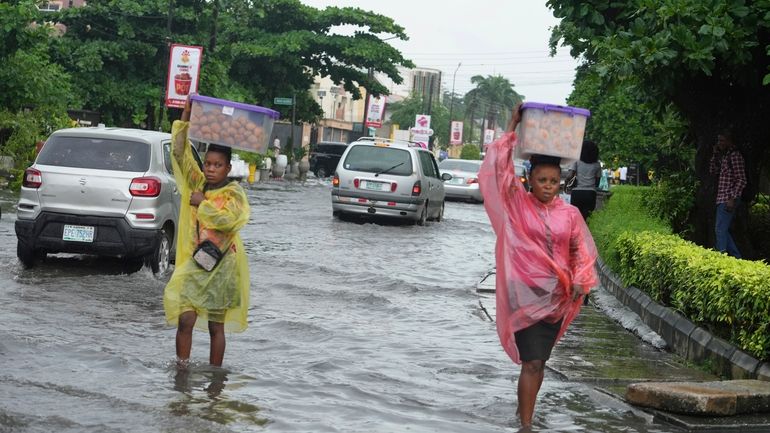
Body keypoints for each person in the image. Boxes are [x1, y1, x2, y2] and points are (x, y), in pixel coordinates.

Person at [478, 105, 598, 430]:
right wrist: (513, 124)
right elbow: (498, 168)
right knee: (532, 361)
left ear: (562, 181)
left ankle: (523, 412)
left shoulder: (569, 214)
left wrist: (581, 278)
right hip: (525, 294)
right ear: (529, 179)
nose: (548, 185)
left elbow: (581, 249)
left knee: (540, 361)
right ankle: (527, 426)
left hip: (557, 298)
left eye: (554, 181)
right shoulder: (517, 203)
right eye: (542, 179)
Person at [164, 96, 251, 367]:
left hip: (223, 267)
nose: (211, 169)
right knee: (185, 317)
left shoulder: (234, 193)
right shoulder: (197, 182)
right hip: (196, 262)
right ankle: (181, 368)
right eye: (208, 164)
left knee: (216, 326)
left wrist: (203, 205)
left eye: (217, 165)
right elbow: (179, 153)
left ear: (227, 167)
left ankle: (215, 378)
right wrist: (186, 116)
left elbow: (230, 221)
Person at [709, 129, 746, 258]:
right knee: (723, 230)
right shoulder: (725, 156)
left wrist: (732, 198)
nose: (719, 143)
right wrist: (715, 155)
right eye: (718, 140)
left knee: (719, 230)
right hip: (722, 198)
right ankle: (737, 259)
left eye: (722, 140)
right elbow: (713, 171)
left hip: (728, 198)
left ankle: (721, 259)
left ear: (730, 141)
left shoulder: (735, 156)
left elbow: (741, 179)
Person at [568, 140, 602, 220]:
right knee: (587, 218)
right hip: (590, 194)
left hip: (577, 193)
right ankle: (585, 231)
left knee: (576, 218)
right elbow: (597, 183)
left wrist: (566, 185)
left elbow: (569, 176)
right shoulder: (597, 164)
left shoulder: (576, 161)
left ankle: (576, 232)